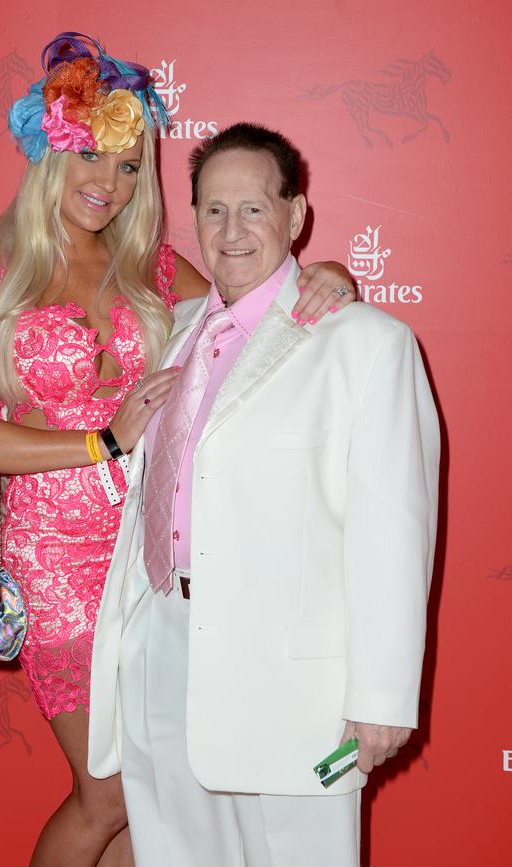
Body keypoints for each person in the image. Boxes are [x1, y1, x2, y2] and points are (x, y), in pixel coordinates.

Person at [0, 33, 355, 867]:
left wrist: (327, 272)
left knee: (153, 786)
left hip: (148, 559)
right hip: (52, 561)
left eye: (130, 166)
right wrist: (101, 438)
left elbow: (259, 308)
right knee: (110, 792)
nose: (109, 183)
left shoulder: (155, 269)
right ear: (50, 152)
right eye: (91, 155)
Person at [88, 122, 440, 867]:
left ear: (296, 213)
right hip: (160, 657)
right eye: (213, 209)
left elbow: (393, 532)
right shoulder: (174, 329)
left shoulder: (365, 344)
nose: (232, 229)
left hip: (293, 690)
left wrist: (381, 697)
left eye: (254, 207)